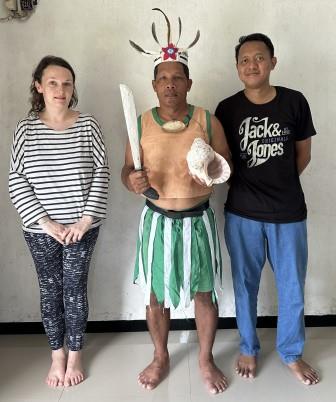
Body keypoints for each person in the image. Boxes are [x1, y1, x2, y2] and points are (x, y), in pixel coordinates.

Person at [121, 9, 231, 395]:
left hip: (197, 221)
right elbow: (126, 170)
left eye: (177, 77)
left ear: (188, 82)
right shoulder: (140, 123)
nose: (170, 84)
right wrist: (131, 179)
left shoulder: (207, 119)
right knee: (155, 294)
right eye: (163, 78)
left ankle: (205, 358)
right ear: (154, 85)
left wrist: (210, 166)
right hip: (156, 222)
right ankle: (160, 355)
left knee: (205, 292)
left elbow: (226, 165)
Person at [215, 33, 319, 385]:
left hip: (289, 213)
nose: (252, 65)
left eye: (259, 58)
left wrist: (281, 184)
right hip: (242, 213)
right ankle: (248, 347)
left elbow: (303, 154)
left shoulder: (294, 102)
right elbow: (223, 162)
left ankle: (291, 352)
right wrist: (250, 188)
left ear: (273, 62)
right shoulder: (226, 109)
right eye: (245, 60)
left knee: (292, 287)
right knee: (245, 286)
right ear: (237, 68)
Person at [9, 56, 109, 387]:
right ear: (39, 86)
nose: (60, 90)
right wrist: (47, 223)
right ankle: (57, 355)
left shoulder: (88, 125)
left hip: (83, 226)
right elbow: (16, 180)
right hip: (40, 230)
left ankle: (76, 353)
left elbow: (101, 172)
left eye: (67, 83)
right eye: (52, 83)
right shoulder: (25, 129)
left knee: (75, 289)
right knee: (50, 289)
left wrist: (84, 220)